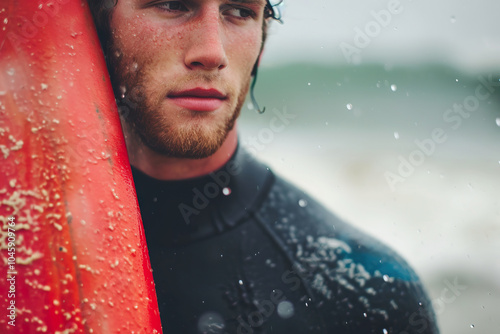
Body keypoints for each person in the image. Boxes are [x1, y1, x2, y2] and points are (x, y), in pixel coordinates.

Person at [88, 0, 439, 333]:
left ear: (262, 44)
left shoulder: (366, 295)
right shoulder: (35, 242)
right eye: (172, 4)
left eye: (240, 11)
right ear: (96, 26)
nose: (212, 53)